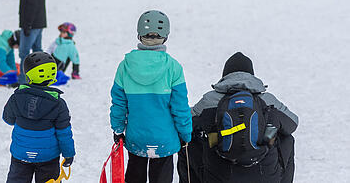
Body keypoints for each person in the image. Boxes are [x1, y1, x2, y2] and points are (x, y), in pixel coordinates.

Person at [180, 52, 298, 183]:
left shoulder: (210, 99)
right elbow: (293, 123)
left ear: (225, 75)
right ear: (252, 75)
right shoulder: (267, 100)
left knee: (188, 141)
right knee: (287, 138)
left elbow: (185, 123)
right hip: (266, 175)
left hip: (219, 175)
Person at [110, 10, 192, 183]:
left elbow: (119, 103)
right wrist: (185, 133)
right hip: (165, 138)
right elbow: (180, 107)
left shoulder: (125, 66)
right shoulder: (174, 68)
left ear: (140, 35)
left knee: (134, 175)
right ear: (165, 36)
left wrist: (118, 129)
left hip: (136, 137)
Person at [2, 51, 75, 183]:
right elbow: (64, 133)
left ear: (28, 74)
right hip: (48, 157)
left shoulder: (16, 97)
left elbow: (8, 119)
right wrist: (69, 154)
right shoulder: (59, 104)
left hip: (21, 154)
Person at [16, 0, 48, 84]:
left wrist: (27, 24)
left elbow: (32, 4)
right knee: (37, 52)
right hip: (39, 22)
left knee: (24, 53)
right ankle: (40, 80)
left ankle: (23, 82)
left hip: (32, 24)